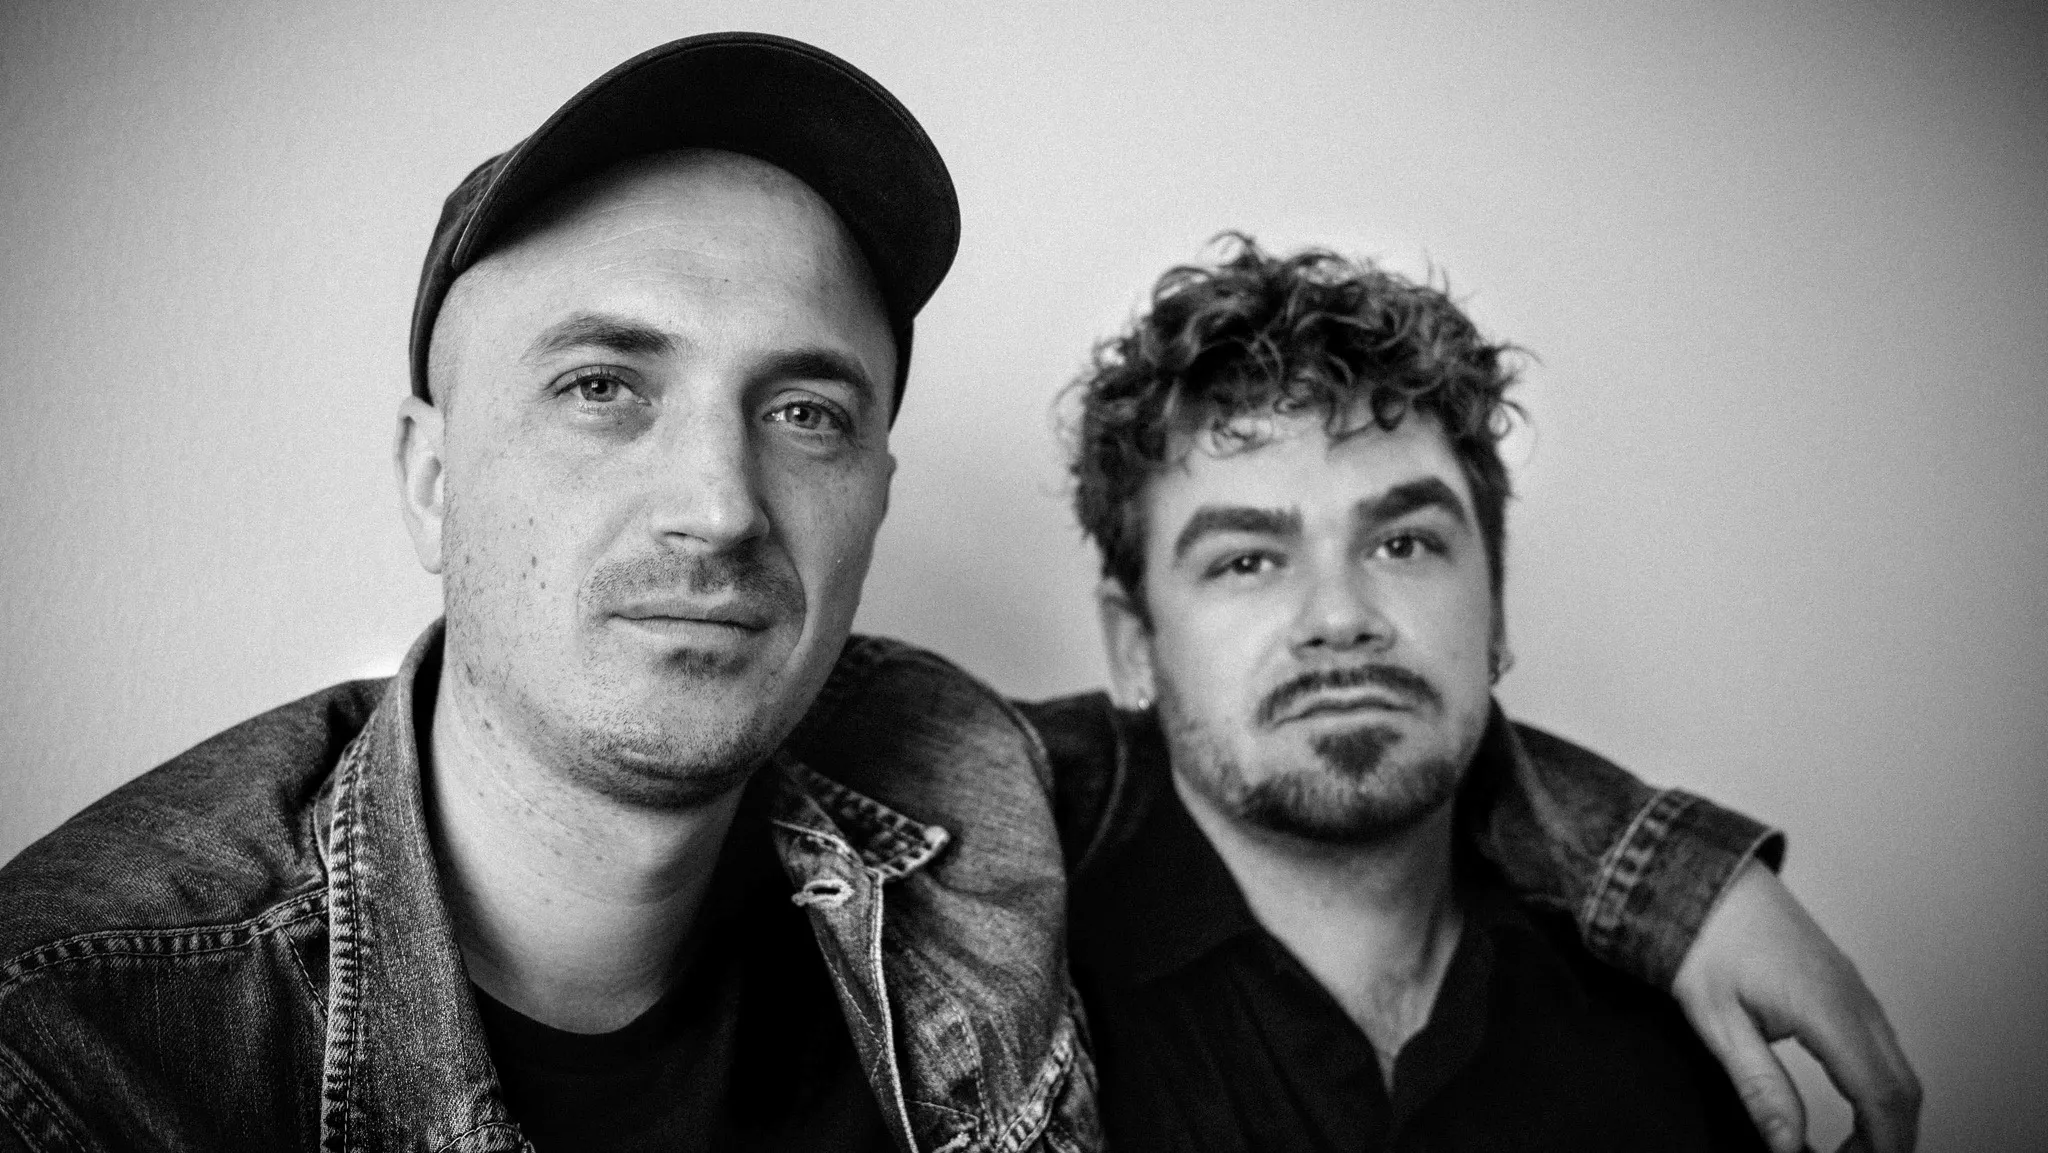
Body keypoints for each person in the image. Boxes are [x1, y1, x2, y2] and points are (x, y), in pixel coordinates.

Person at [0, 32, 1914, 1153]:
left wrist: (1662, 873)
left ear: (876, 493)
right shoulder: (84, 1049)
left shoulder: (945, 801)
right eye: (600, 386)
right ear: (430, 476)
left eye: (803, 409)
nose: (715, 504)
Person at [1028, 236, 1919, 1151]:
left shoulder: (1681, 1025)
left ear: (1495, 611)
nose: (1340, 617)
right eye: (1247, 561)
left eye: (1403, 544)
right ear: (1134, 647)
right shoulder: (1005, 1007)